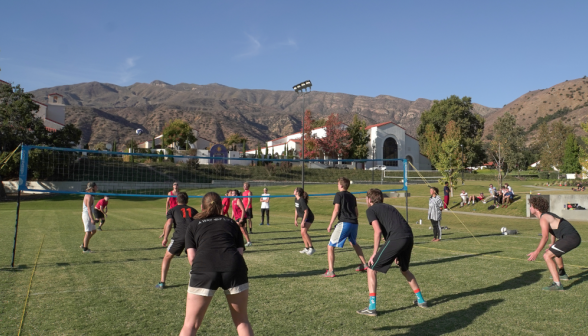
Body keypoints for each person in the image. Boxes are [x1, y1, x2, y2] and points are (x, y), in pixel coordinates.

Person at [180, 192, 253, 336]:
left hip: (204, 267)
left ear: (202, 206)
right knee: (242, 322)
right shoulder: (231, 222)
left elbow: (192, 258)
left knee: (190, 325)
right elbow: (239, 253)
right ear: (221, 207)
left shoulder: (193, 225)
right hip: (233, 266)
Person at [357, 189, 427, 317]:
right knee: (404, 270)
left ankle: (371, 307)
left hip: (397, 238)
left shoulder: (371, 210)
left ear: (369, 200)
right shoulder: (389, 207)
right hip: (408, 236)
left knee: (371, 268)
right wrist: (397, 250)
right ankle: (421, 300)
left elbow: (377, 231)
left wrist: (374, 253)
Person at [527, 197, 581, 291]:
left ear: (536, 207)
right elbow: (553, 231)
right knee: (553, 252)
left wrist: (536, 252)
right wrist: (552, 244)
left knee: (547, 256)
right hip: (570, 237)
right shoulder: (546, 216)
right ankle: (562, 274)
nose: (529, 208)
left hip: (571, 238)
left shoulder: (544, 217)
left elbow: (545, 237)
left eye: (531, 206)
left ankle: (557, 284)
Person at [324, 177, 368, 277]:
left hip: (345, 222)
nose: (337, 185)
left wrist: (330, 224)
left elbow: (336, 210)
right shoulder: (352, 196)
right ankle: (364, 263)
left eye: (338, 184)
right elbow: (356, 212)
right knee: (353, 243)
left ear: (341, 185)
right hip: (354, 223)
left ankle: (330, 271)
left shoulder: (338, 195)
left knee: (330, 246)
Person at [156, 192, 198, 289]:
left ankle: (162, 282)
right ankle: (202, 279)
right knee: (193, 259)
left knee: (167, 257)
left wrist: (165, 237)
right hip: (192, 236)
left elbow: (169, 222)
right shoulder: (193, 210)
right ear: (187, 201)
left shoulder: (172, 210)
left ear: (176, 200)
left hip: (179, 237)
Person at [294, 187, 315, 255]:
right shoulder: (296, 199)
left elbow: (306, 211)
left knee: (304, 232)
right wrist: (295, 219)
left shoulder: (301, 200)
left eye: (295, 190)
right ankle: (307, 248)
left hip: (308, 217)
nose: (294, 191)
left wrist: (303, 221)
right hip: (304, 217)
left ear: (297, 192)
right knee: (302, 233)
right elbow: (296, 210)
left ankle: (311, 248)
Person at [81, 182, 98, 253]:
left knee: (93, 231)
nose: (97, 187)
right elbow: (88, 209)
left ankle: (84, 244)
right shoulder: (89, 196)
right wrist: (91, 219)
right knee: (88, 232)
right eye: (96, 186)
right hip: (87, 215)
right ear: (92, 188)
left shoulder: (90, 195)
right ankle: (85, 249)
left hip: (89, 214)